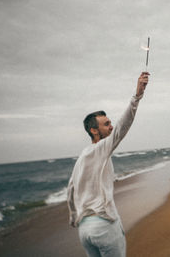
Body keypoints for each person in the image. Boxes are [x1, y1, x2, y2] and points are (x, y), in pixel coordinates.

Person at [67, 72, 149, 257]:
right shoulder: (102, 148)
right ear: (94, 130)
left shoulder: (83, 156)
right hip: (103, 226)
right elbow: (122, 128)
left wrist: (73, 216)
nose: (111, 127)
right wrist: (137, 96)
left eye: (110, 122)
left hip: (84, 230)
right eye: (106, 124)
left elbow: (71, 188)